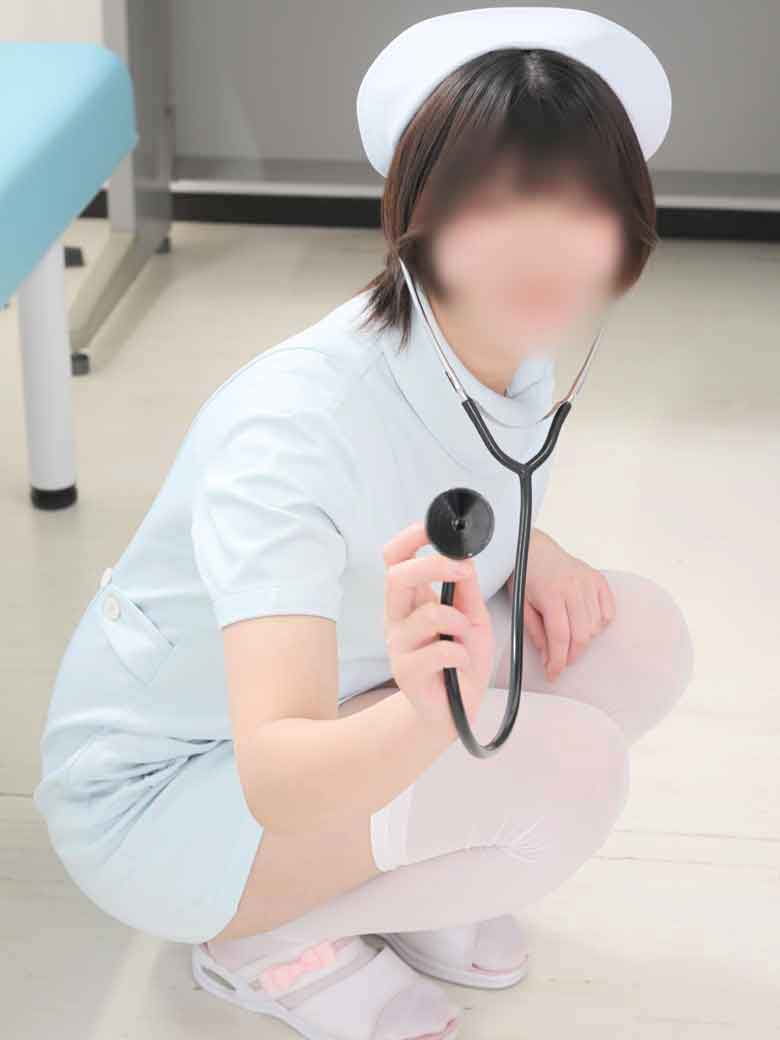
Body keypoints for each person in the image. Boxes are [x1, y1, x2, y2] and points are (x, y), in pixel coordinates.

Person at [33, 10, 693, 1040]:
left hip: (349, 688)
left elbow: (441, 487)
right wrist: (427, 718)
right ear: (420, 217)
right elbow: (277, 770)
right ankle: (261, 939)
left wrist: (538, 547)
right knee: (572, 776)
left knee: (635, 637)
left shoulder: (503, 345)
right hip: (174, 796)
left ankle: (396, 878)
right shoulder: (293, 430)